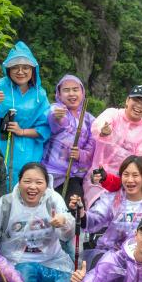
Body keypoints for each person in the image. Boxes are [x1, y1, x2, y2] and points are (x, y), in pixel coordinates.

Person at [0, 162, 75, 282]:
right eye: (27, 181)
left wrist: (64, 222)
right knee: (23, 279)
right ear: (19, 182)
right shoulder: (5, 203)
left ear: (46, 184)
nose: (32, 187)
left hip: (51, 259)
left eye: (39, 182)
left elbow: (68, 235)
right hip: (17, 261)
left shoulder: (53, 199)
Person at [72, 155, 142, 266]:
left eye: (135, 175)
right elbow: (94, 220)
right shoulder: (113, 198)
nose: (130, 180)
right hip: (111, 256)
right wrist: (81, 213)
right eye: (126, 175)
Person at [0, 41, 52, 187]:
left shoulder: (40, 95)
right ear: (8, 69)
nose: (20, 72)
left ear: (33, 69)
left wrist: (22, 131)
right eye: (15, 67)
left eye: (25, 67)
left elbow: (45, 128)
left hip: (28, 152)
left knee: (23, 187)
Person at [83, 85, 142, 204]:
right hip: (97, 177)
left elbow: (140, 158)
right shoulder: (113, 113)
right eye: (136, 100)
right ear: (127, 100)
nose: (139, 106)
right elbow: (98, 125)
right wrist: (104, 131)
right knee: (95, 208)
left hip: (122, 183)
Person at [42, 75, 96, 204]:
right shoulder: (56, 109)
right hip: (49, 173)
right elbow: (58, 122)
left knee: (74, 207)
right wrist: (58, 118)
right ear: (59, 95)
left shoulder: (90, 120)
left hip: (74, 176)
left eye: (75, 89)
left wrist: (80, 154)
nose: (71, 93)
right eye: (66, 90)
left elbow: (91, 147)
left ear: (82, 93)